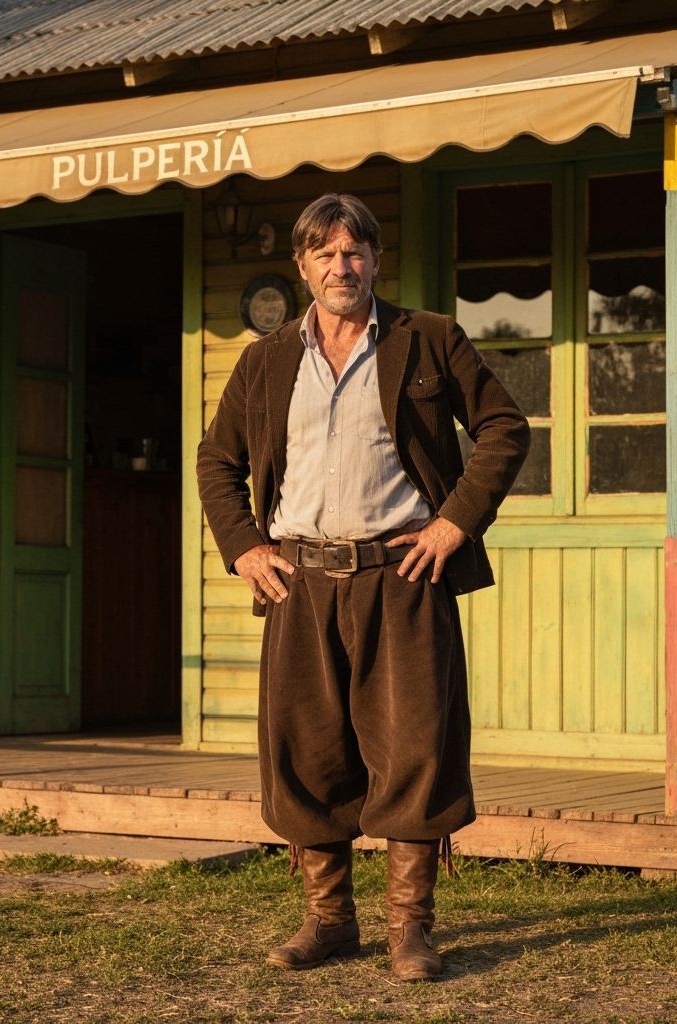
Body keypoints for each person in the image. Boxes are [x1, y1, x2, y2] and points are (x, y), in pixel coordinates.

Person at [197, 193, 529, 980]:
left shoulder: (429, 339)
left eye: (354, 252)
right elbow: (218, 463)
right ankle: (330, 922)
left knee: (415, 748)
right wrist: (243, 546)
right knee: (310, 754)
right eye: (324, 254)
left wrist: (454, 523)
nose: (340, 267)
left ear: (376, 261)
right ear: (303, 266)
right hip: (300, 583)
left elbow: (504, 428)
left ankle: (410, 929)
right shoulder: (266, 359)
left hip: (403, 577)